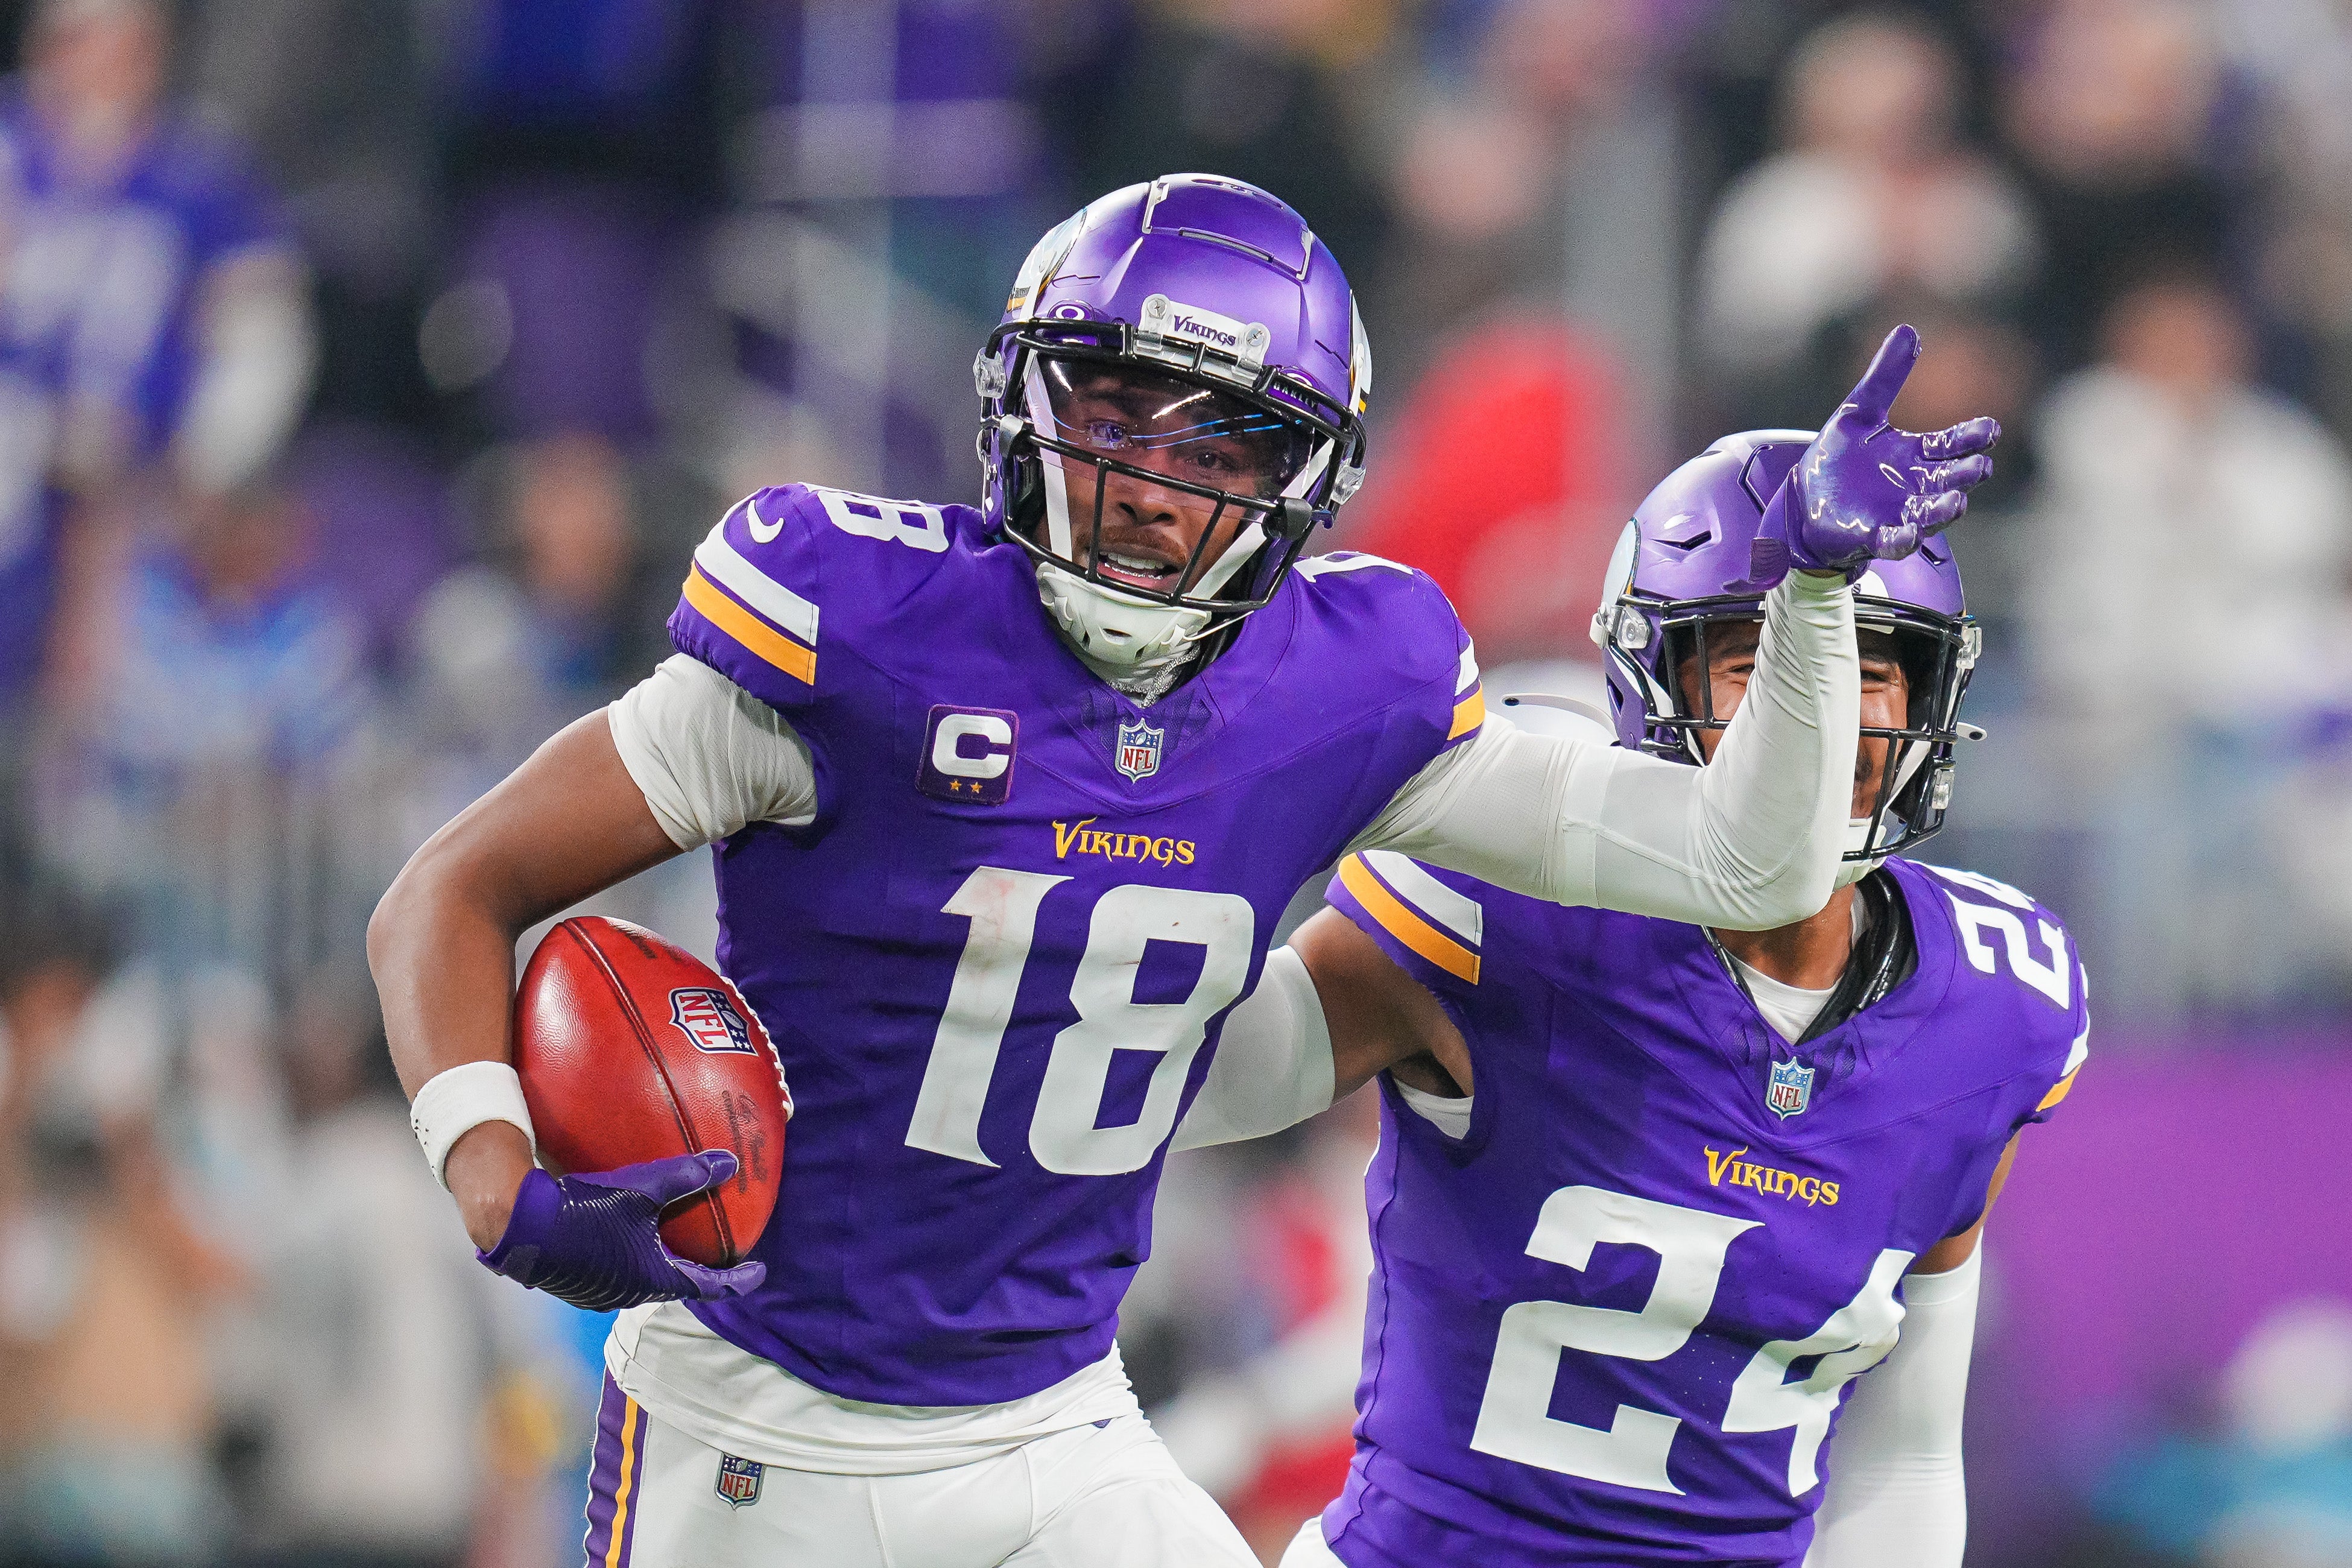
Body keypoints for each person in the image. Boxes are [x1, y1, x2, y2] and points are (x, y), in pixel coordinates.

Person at [367, 177, 1999, 1566]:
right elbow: (450, 889)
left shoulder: (1342, 689)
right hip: (760, 1432)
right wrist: (494, 1176)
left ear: (1302, 480)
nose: (1154, 480)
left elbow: (1737, 858)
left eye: (1222, 444)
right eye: (1112, 412)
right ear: (1022, 400)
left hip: (1055, 1424)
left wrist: (1804, 600)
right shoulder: (854, 635)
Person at [1176, 431, 2082, 1566]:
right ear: (1654, 688)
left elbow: (1903, 1462)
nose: (1830, 711)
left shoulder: (1996, 1006)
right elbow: (1185, 1081)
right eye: (1760, 669)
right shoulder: (1502, 901)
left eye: (1875, 665)